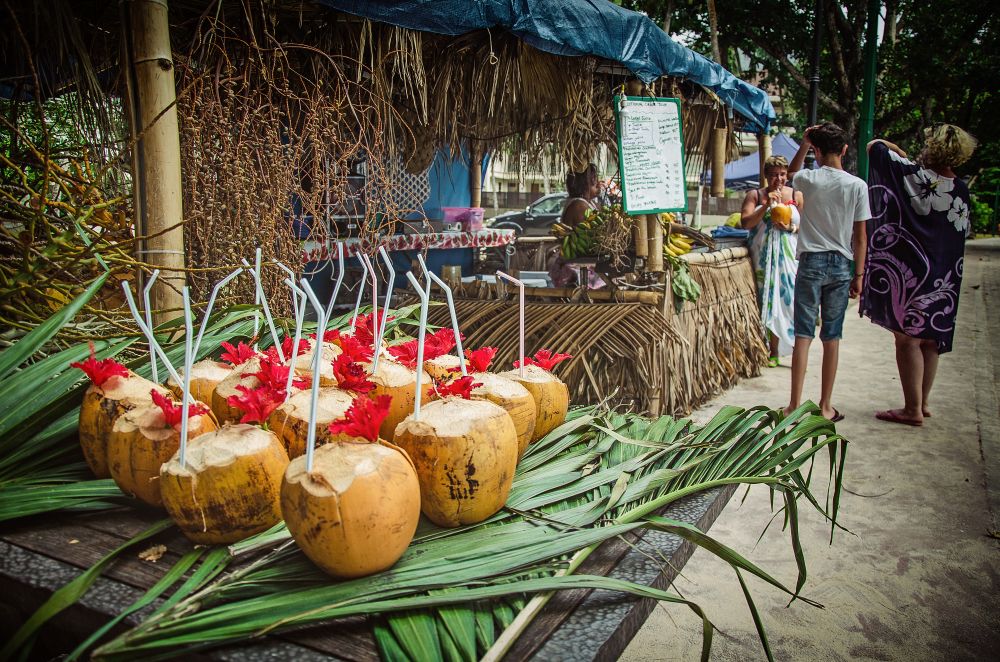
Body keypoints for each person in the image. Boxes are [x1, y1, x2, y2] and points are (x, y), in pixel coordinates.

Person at [861, 124, 978, 426]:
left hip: (916, 273)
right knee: (930, 340)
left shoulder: (917, 178)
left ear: (934, 148)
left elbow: (875, 146)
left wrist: (902, 152)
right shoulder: (961, 190)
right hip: (947, 275)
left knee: (907, 340)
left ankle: (911, 409)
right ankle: (922, 403)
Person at [782, 122, 871, 422]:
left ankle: (794, 405)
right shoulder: (857, 186)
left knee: (804, 335)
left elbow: (790, 174)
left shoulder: (809, 178)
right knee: (832, 336)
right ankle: (825, 406)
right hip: (841, 265)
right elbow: (861, 236)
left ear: (817, 151)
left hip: (811, 263)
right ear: (844, 150)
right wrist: (858, 275)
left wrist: (805, 143)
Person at [741, 155, 803, 367]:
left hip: (789, 258)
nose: (779, 179)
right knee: (767, 301)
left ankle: (796, 352)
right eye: (774, 175)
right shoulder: (755, 195)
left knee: (791, 301)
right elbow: (746, 223)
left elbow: (807, 227)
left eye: (783, 174)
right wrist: (765, 206)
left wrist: (791, 228)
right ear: (766, 176)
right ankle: (772, 350)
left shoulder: (795, 194)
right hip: (763, 258)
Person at [548, 164, 600, 287]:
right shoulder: (578, 205)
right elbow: (593, 232)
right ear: (586, 184)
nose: (598, 184)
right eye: (594, 181)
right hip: (574, 268)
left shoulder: (587, 202)